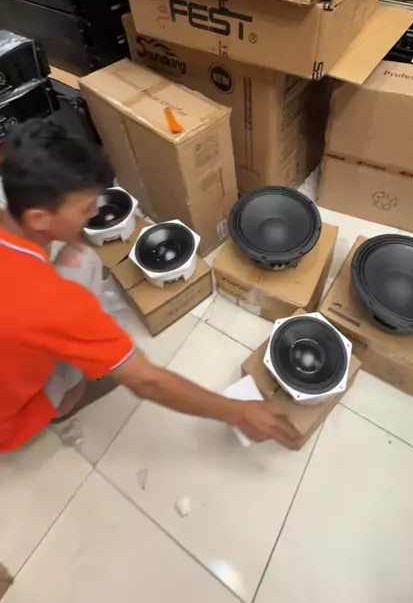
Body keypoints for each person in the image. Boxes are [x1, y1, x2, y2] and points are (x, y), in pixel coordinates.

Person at [0, 119, 299, 452]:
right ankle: (62, 400)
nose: (94, 211)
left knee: (81, 260)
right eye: (85, 207)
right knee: (77, 348)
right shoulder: (52, 302)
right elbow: (146, 381)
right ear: (38, 218)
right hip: (8, 419)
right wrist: (239, 411)